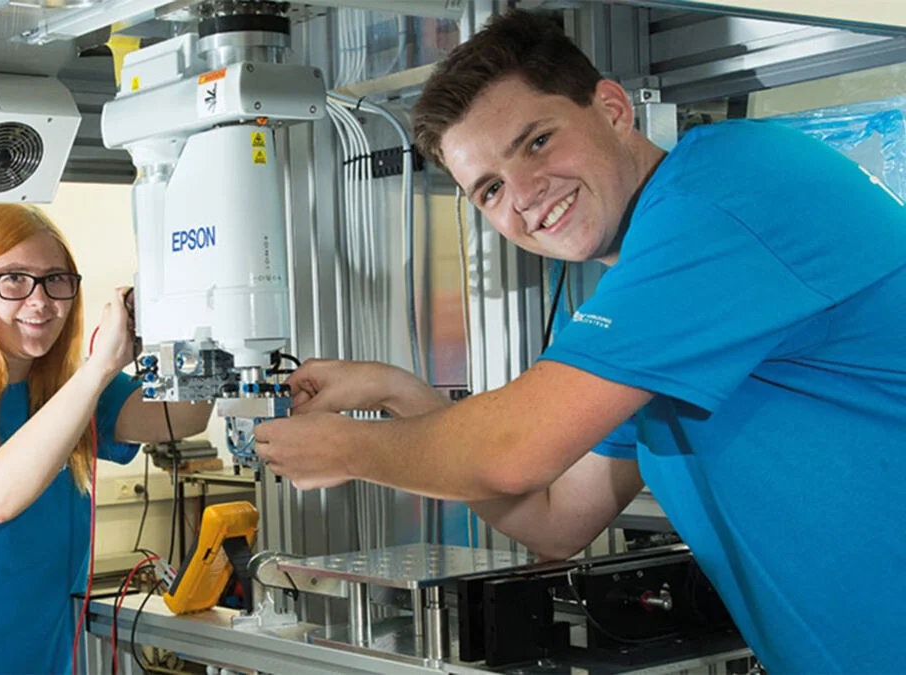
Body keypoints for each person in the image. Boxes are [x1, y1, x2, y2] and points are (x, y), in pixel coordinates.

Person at [254, 10, 905, 673]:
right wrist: (399, 393)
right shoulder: (650, 294)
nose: (526, 195)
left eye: (536, 142)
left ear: (614, 108)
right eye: (490, 189)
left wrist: (350, 447)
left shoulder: (721, 199)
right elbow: (557, 516)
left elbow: (516, 451)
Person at [0, 204, 212, 674]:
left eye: (57, 279)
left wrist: (200, 321)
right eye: (13, 279)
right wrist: (99, 368)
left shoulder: (66, 390)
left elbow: (182, 418)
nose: (40, 301)